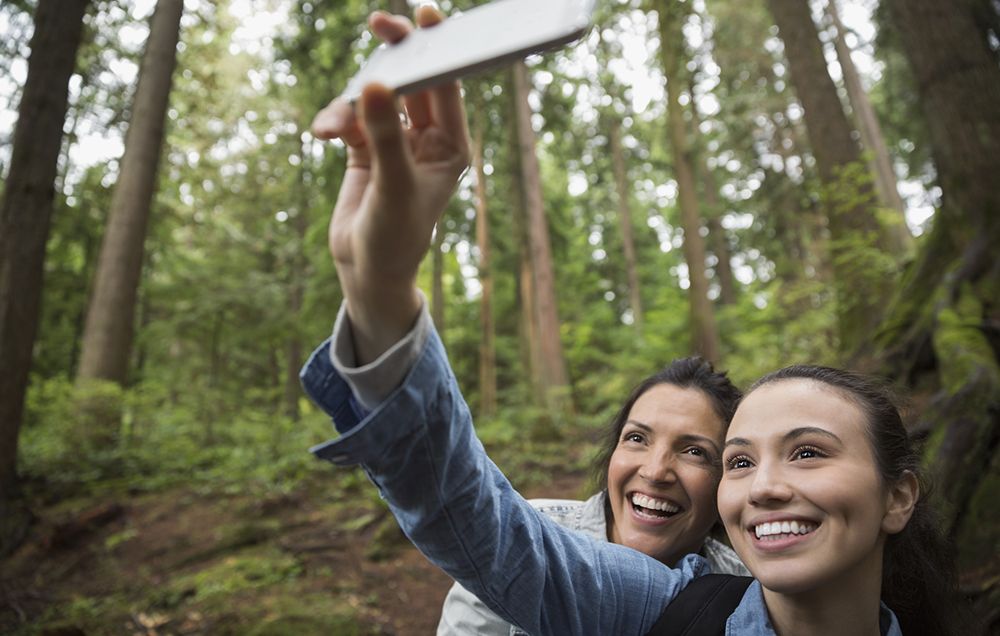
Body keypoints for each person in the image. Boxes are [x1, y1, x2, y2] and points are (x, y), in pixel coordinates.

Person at [302, 7, 965, 634]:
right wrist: (381, 293)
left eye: (809, 452)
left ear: (898, 497)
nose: (764, 487)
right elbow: (483, 526)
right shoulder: (660, 604)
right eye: (740, 461)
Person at [438, 359, 750, 635]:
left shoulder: (748, 586)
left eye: (694, 451)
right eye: (637, 438)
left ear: (727, 481)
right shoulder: (521, 539)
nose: (655, 472)